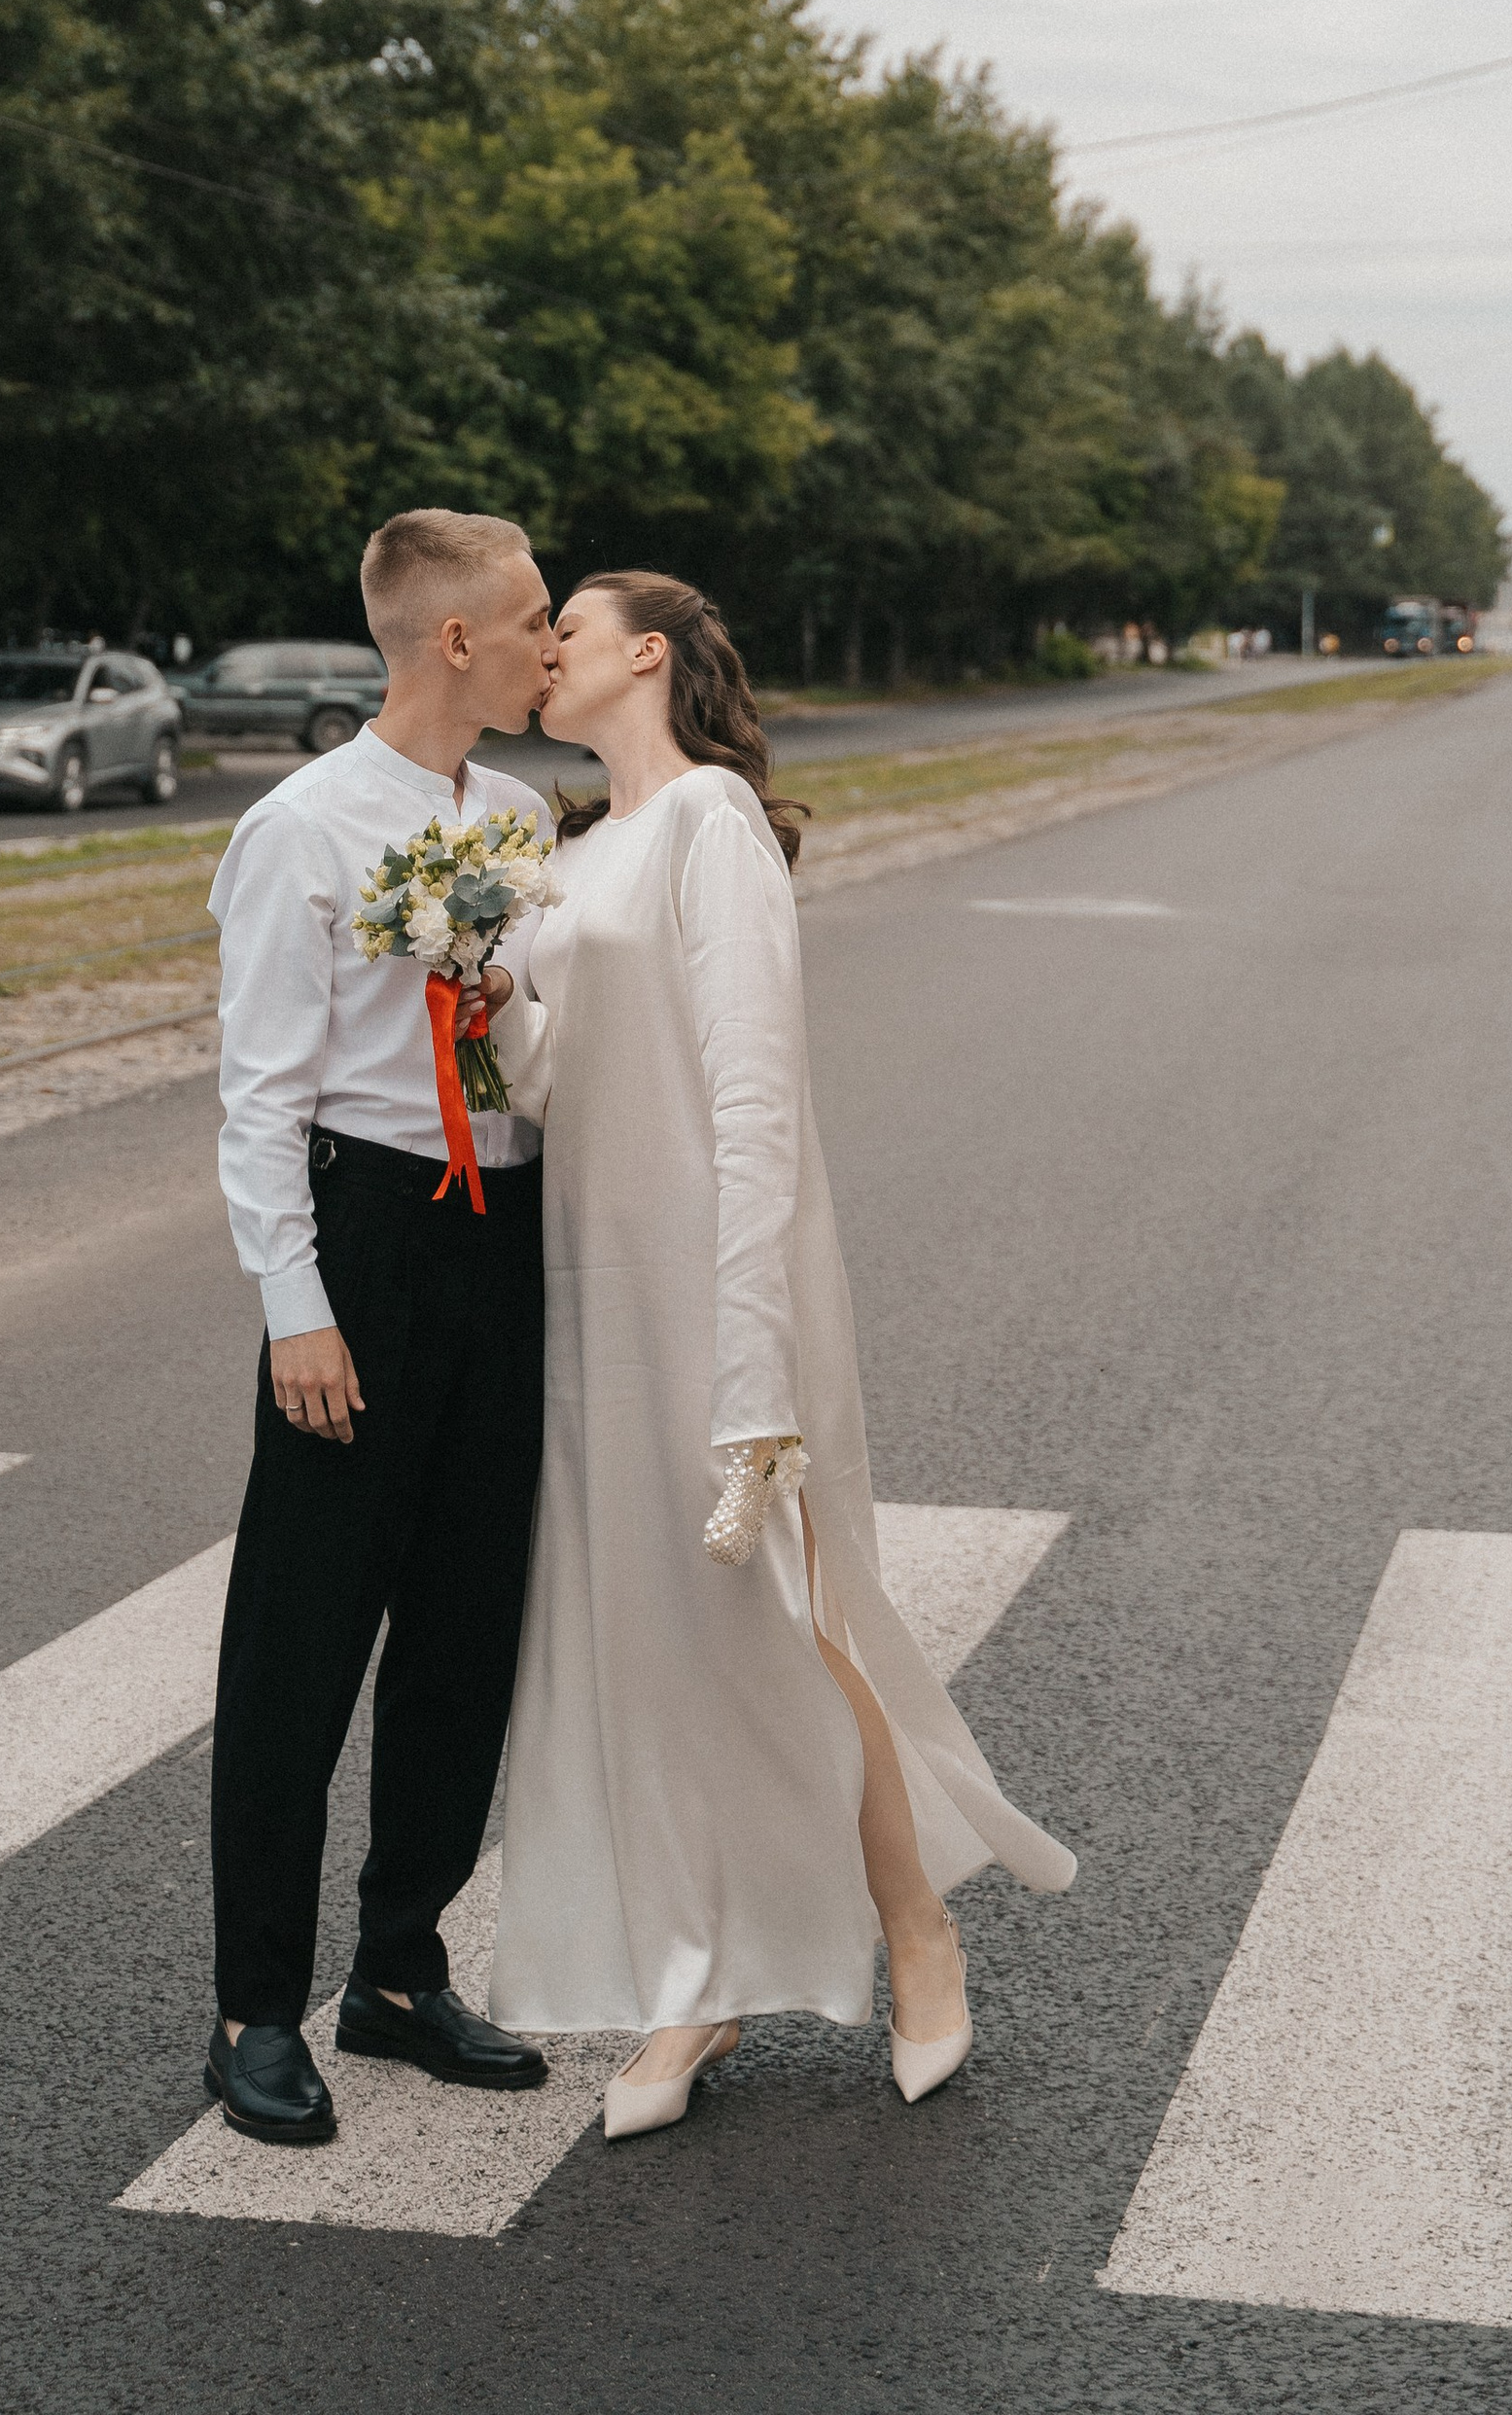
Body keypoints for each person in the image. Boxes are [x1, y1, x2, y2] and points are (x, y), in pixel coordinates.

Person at [484, 571, 1073, 2138]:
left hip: (711, 1279)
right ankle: (698, 1988)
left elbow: (750, 1097)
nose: (546, 653)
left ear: (648, 656)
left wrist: (755, 1367)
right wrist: (486, 991)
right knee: (652, 1643)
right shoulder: (575, 849)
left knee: (787, 1620)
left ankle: (920, 1933)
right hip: (593, 1286)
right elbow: (553, 1084)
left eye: (573, 631)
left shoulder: (709, 828)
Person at [200, 509, 560, 2144]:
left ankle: (401, 1971)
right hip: (361, 1235)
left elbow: (531, 1042)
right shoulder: (304, 829)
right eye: (536, 614)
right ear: (456, 640)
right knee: (303, 1641)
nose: (556, 637)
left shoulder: (525, 812)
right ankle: (253, 2009)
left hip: (503, 1234)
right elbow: (260, 1100)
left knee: (467, 1628)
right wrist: (299, 1313)